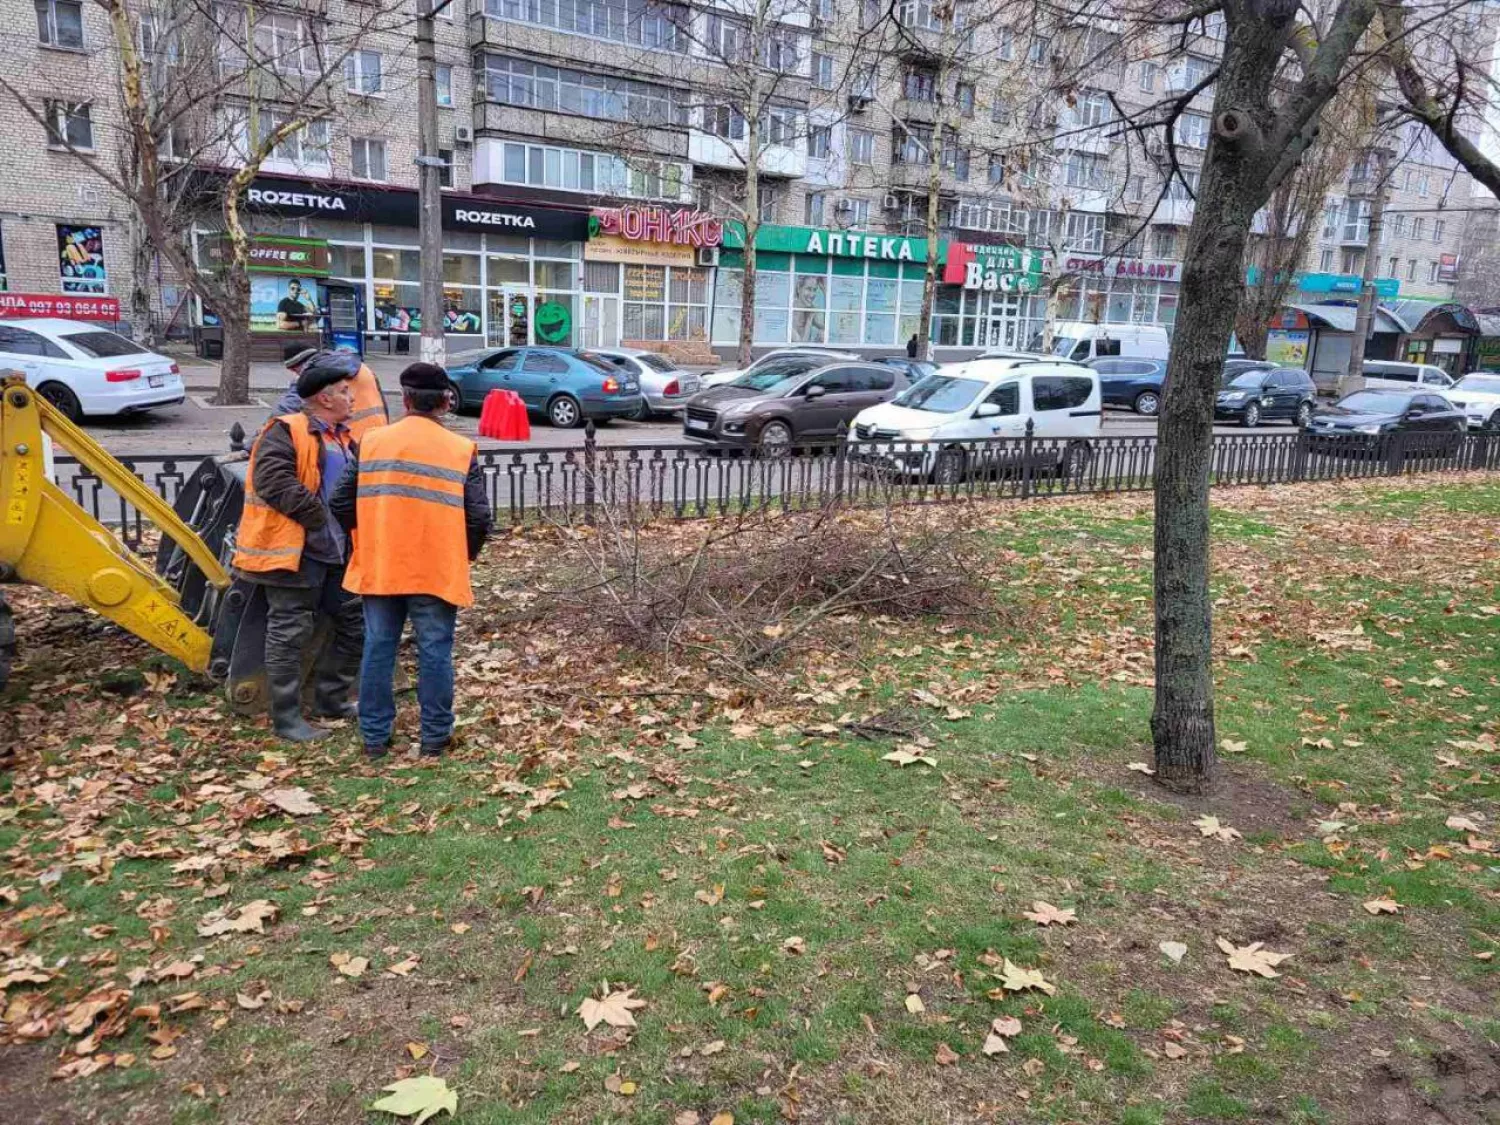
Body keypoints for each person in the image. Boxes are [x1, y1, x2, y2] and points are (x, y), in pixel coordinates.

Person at [333, 363, 492, 760]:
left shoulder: (370, 442)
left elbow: (339, 501)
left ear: (404, 400)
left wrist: (368, 537)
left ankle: (374, 739)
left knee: (378, 648)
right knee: (435, 651)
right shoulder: (459, 450)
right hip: (435, 568)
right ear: (444, 403)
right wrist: (462, 554)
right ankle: (435, 739)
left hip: (382, 563)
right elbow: (479, 517)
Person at [231, 359, 365, 743]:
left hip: (337, 552)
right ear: (324, 398)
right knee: (289, 633)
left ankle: (332, 698)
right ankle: (286, 717)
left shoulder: (343, 437)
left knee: (354, 622)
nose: (351, 397)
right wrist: (319, 520)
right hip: (293, 553)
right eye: (343, 391)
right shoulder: (286, 431)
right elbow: (273, 481)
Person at [278, 347, 390, 443]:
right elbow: (381, 401)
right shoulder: (361, 367)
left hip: (349, 438)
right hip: (378, 435)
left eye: (294, 370)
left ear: (297, 366)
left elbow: (287, 408)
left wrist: (267, 432)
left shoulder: (314, 374)